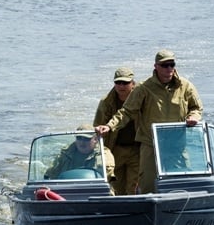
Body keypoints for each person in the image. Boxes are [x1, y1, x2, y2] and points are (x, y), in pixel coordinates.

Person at [95, 49, 203, 194]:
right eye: (165, 65)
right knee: (147, 185)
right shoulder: (144, 88)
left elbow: (196, 107)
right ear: (156, 67)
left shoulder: (185, 86)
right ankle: (146, 210)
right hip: (150, 143)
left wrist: (194, 116)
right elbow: (127, 111)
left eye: (172, 64)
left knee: (184, 182)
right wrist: (109, 126)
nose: (169, 68)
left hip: (176, 143)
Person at [93, 67, 139, 195]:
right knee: (116, 186)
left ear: (133, 84)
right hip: (116, 149)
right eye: (118, 83)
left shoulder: (141, 98)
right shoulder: (106, 102)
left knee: (133, 188)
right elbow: (98, 124)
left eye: (125, 83)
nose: (121, 86)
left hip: (137, 149)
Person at [44, 124, 115, 184]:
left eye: (86, 139)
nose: (82, 142)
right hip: (68, 189)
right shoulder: (66, 153)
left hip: (96, 189)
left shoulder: (103, 154)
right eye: (79, 138)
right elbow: (51, 174)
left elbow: (107, 172)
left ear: (95, 139)